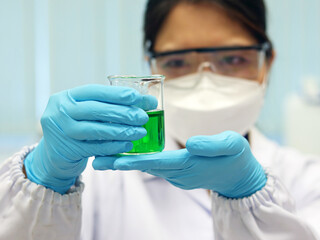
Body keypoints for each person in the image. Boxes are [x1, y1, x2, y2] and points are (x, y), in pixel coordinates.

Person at [0, 0, 319, 239]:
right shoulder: (101, 179)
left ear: (267, 63)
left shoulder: (308, 182)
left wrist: (249, 195)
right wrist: (43, 183)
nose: (204, 81)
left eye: (233, 59)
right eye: (178, 61)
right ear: (151, 67)